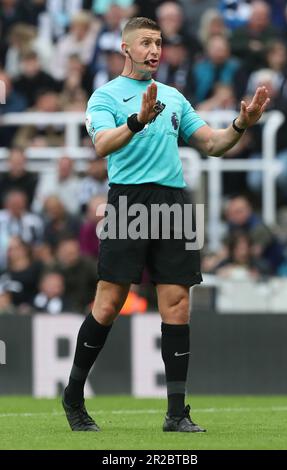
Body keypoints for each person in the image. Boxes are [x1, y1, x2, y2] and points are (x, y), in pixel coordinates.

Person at [62, 16, 269, 433]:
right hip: (129, 200)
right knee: (108, 304)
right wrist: (137, 120)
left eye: (158, 43)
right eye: (145, 43)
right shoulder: (104, 97)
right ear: (126, 48)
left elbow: (211, 144)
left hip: (174, 201)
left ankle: (176, 413)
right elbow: (102, 144)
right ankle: (73, 395)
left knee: (177, 304)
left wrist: (241, 124)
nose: (154, 50)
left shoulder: (174, 97)